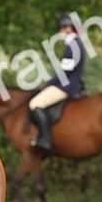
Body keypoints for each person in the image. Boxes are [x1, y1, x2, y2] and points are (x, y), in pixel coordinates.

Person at [28, 12, 86, 151]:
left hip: (67, 86)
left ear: (68, 28)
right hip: (69, 83)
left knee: (35, 104)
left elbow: (65, 73)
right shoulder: (74, 44)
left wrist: (49, 83)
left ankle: (46, 139)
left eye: (61, 28)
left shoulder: (72, 46)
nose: (59, 31)